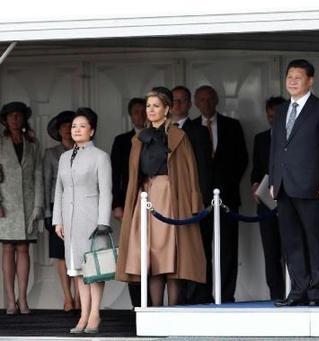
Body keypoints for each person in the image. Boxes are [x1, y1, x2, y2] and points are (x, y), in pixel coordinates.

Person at [116, 87, 206, 307]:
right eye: (148, 106)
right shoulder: (139, 139)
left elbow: (190, 171)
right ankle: (155, 309)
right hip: (145, 196)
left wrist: (194, 202)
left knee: (171, 257)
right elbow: (133, 174)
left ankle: (172, 310)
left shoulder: (178, 136)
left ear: (167, 109)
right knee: (151, 257)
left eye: (156, 106)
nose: (151, 110)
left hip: (169, 196)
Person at [269, 59, 319, 307]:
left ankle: (317, 291)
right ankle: (298, 290)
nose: (292, 81)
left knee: (314, 239)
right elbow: (277, 148)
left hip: (311, 185)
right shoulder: (280, 111)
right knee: (291, 242)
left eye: (298, 77)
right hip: (284, 185)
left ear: (310, 81)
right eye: (289, 77)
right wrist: (273, 178)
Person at [53, 108, 112, 333]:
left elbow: (106, 192)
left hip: (92, 219)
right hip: (69, 219)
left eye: (82, 126)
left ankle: (95, 314)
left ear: (92, 130)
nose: (76, 130)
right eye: (74, 126)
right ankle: (83, 315)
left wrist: (103, 222)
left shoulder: (100, 156)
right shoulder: (64, 157)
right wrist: (58, 220)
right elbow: (58, 190)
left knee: (94, 269)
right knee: (76, 269)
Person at [192, 85, 248, 303]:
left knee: (227, 249)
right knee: (202, 248)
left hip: (228, 197)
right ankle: (203, 294)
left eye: (209, 99)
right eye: (201, 100)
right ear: (196, 103)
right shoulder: (191, 128)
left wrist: (228, 184)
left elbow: (242, 158)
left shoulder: (232, 126)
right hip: (199, 200)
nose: (205, 103)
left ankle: (226, 294)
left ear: (216, 101)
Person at [170, 85, 213, 304]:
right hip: (169, 203)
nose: (176, 105)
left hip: (193, 201)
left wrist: (202, 202)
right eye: (173, 100)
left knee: (198, 249)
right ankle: (178, 298)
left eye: (181, 101)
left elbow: (204, 169)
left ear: (189, 104)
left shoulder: (198, 130)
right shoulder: (163, 129)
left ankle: (200, 296)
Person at [0, 101, 44, 315]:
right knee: (7, 248)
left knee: (24, 249)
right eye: (11, 116)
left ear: (23, 119)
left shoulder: (33, 144)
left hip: (28, 204)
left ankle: (23, 300)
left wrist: (38, 204)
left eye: (18, 116)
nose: (15, 119)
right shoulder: (0, 143)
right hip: (6, 205)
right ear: (6, 120)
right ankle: (10, 301)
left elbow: (37, 174)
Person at [110, 97, 146, 307]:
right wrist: (117, 204)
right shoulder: (122, 140)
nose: (140, 115)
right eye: (136, 112)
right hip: (128, 203)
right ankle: (138, 305)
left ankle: (157, 306)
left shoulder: (160, 136)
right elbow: (116, 175)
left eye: (143, 110)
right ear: (130, 116)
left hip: (155, 203)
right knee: (133, 254)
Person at [43, 110, 81, 311]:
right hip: (57, 208)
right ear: (58, 131)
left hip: (81, 207)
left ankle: (79, 296)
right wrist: (47, 214)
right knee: (60, 254)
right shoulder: (51, 154)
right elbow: (46, 183)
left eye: (71, 125)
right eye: (64, 126)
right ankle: (68, 297)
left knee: (78, 251)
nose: (67, 129)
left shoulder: (85, 151)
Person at [251, 96, 286, 300]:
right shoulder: (261, 138)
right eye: (269, 115)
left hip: (289, 201)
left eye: (276, 115)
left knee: (292, 251)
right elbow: (256, 169)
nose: (272, 119)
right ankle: (276, 296)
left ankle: (295, 292)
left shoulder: (294, 135)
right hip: (266, 203)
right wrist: (254, 184)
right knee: (271, 254)